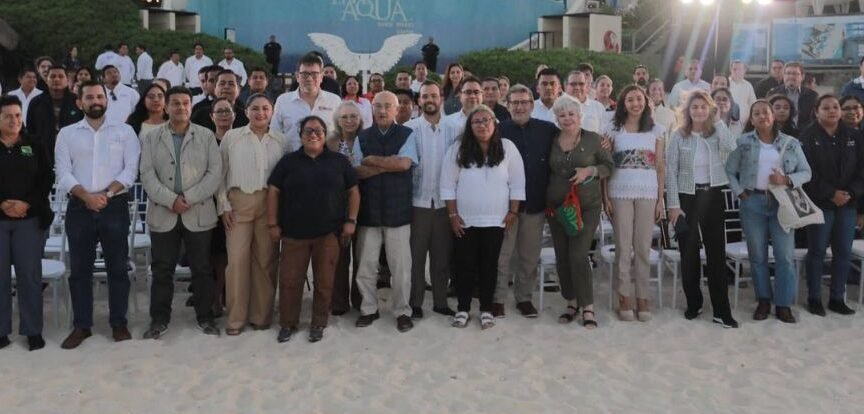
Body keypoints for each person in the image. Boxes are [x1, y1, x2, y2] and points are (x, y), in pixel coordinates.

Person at [55, 80, 141, 349]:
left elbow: (130, 170)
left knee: (117, 267)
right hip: (79, 207)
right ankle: (82, 326)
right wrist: (87, 197)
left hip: (114, 205)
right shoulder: (67, 134)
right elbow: (63, 172)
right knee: (80, 270)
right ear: (79, 102)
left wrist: (106, 194)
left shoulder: (125, 132)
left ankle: (119, 323)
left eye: (99, 97)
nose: (95, 101)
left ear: (107, 100)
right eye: (89, 97)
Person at [138, 86, 222, 339]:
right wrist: (171, 200)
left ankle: (205, 315)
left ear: (191, 105)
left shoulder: (206, 136)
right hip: (164, 213)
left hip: (198, 212)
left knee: (202, 268)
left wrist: (190, 197)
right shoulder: (152, 138)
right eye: (175, 103)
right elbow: (147, 174)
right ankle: (159, 319)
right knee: (162, 268)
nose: (181, 107)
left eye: (186, 103)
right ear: (166, 106)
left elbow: (214, 173)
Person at [267, 115, 359, 343]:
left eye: (318, 130)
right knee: (289, 281)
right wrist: (272, 223)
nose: (313, 134)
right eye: (308, 130)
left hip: (328, 233)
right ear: (300, 135)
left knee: (325, 281)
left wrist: (351, 220)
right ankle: (288, 323)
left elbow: (354, 191)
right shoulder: (288, 162)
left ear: (324, 134)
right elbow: (273, 191)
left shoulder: (339, 161)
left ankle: (318, 322)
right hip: (293, 234)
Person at [725, 99, 811, 323]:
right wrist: (740, 192)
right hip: (753, 203)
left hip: (782, 203)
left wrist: (787, 179)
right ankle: (763, 300)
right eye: (757, 113)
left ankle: (783, 304)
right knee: (758, 256)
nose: (762, 116)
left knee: (784, 256)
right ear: (751, 119)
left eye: (766, 112)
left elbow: (806, 172)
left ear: (773, 116)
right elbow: (729, 170)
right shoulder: (743, 142)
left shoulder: (791, 143)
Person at [441, 104, 525, 329]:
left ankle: (486, 309)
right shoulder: (458, 149)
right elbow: (448, 185)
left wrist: (513, 211)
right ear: (470, 126)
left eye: (486, 120)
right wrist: (452, 215)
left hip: (496, 220)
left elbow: (517, 183)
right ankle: (463, 308)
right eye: (476, 121)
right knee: (464, 266)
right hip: (465, 220)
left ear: (494, 123)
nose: (482, 125)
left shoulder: (507, 148)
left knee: (490, 266)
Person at [665, 90, 738, 328]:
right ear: (687, 111)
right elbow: (671, 172)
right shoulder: (678, 136)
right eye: (694, 107)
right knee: (689, 254)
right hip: (687, 198)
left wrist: (717, 120)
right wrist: (673, 205)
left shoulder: (716, 133)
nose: (699, 111)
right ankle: (694, 303)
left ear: (710, 109)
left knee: (716, 254)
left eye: (703, 107)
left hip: (713, 196)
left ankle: (721, 310)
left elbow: (732, 147)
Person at [218, 93, 289, 335]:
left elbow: (285, 178)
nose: (260, 113)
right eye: (255, 108)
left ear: (272, 112)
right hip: (238, 203)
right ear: (246, 111)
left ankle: (261, 316)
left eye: (265, 109)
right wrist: (223, 206)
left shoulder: (281, 140)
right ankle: (236, 318)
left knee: (266, 261)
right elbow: (219, 173)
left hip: (269, 204)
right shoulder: (232, 137)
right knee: (237, 261)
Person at [352, 91, 418, 332]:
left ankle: (402, 311)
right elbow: (357, 171)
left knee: (401, 267)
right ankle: (369, 309)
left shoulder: (407, 134)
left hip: (397, 211)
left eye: (387, 106)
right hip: (369, 211)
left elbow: (404, 164)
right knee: (366, 266)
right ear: (371, 108)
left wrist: (372, 161)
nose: (382, 110)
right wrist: (387, 164)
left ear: (397, 108)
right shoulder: (363, 136)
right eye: (377, 105)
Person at [489, 84, 557, 318]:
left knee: (529, 256)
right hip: (505, 206)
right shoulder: (497, 130)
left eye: (524, 102)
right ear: (508, 105)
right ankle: (497, 299)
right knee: (502, 255)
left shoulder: (548, 130)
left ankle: (524, 298)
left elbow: (571, 141)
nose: (519, 107)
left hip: (536, 204)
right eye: (515, 103)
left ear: (532, 104)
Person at [546, 95, 613, 328]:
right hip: (557, 208)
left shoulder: (594, 140)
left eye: (571, 114)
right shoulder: (552, 140)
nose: (567, 119)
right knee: (563, 256)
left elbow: (609, 166)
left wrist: (590, 171)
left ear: (579, 115)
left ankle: (588, 307)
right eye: (562, 115)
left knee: (577, 255)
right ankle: (571, 302)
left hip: (586, 206)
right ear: (557, 118)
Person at [603, 85, 666, 322]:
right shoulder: (612, 129)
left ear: (646, 101)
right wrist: (605, 197)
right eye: (630, 99)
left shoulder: (656, 130)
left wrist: (660, 199)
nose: (635, 103)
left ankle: (643, 297)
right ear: (623, 103)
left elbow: (660, 166)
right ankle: (624, 296)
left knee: (642, 247)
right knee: (623, 246)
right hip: (619, 192)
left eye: (639, 99)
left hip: (648, 193)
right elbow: (605, 165)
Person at [799, 95, 864, 317]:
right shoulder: (807, 136)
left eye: (835, 107)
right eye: (825, 108)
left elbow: (861, 171)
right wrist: (831, 193)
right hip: (820, 203)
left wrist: (850, 193)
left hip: (848, 203)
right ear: (816, 112)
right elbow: (807, 172)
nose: (832, 111)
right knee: (817, 251)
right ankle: (814, 297)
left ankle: (837, 298)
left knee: (843, 252)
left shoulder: (854, 136)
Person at [0, 96, 53, 351]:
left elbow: (46, 179)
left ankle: (32, 331)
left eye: (18, 115)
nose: (14, 120)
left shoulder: (33, 144)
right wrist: (2, 203)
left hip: (29, 219)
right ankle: (1, 331)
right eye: (8, 116)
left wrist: (26, 204)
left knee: (29, 277)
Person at [405, 81, 461, 319]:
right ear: (419, 100)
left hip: (444, 204)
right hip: (417, 203)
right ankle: (415, 302)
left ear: (441, 99)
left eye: (434, 96)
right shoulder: (409, 129)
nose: (429, 100)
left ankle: (440, 302)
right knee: (416, 257)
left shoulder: (455, 128)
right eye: (425, 96)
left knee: (441, 256)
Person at [326, 101, 365, 314]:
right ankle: (339, 303)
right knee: (339, 258)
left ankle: (359, 301)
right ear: (337, 120)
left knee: (361, 256)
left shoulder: (366, 139)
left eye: (353, 116)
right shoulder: (329, 142)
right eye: (345, 117)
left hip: (364, 204)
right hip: (336, 205)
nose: (349, 121)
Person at [271, 52, 342, 153]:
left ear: (321, 76)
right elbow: (275, 135)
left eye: (314, 74)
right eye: (304, 74)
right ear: (297, 76)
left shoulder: (334, 101)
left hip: (327, 163)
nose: (309, 78)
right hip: (292, 162)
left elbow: (340, 134)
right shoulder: (283, 101)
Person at [208, 97, 235, 317]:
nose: (224, 114)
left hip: (237, 203)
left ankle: (231, 297)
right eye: (219, 111)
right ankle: (215, 298)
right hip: (210, 204)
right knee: (217, 254)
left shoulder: (240, 139)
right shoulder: (206, 141)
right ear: (212, 116)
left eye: (228, 110)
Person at [25, 66, 83, 162]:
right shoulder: (36, 102)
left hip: (73, 157)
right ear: (46, 80)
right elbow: (29, 133)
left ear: (67, 80)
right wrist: (27, 157)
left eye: (60, 76)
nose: (56, 79)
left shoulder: (77, 101)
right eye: (52, 76)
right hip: (42, 158)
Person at [767, 62, 817, 128]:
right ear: (783, 76)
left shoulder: (812, 95)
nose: (791, 76)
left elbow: (815, 118)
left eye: (795, 74)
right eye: (788, 73)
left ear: (802, 76)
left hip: (803, 133)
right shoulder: (773, 93)